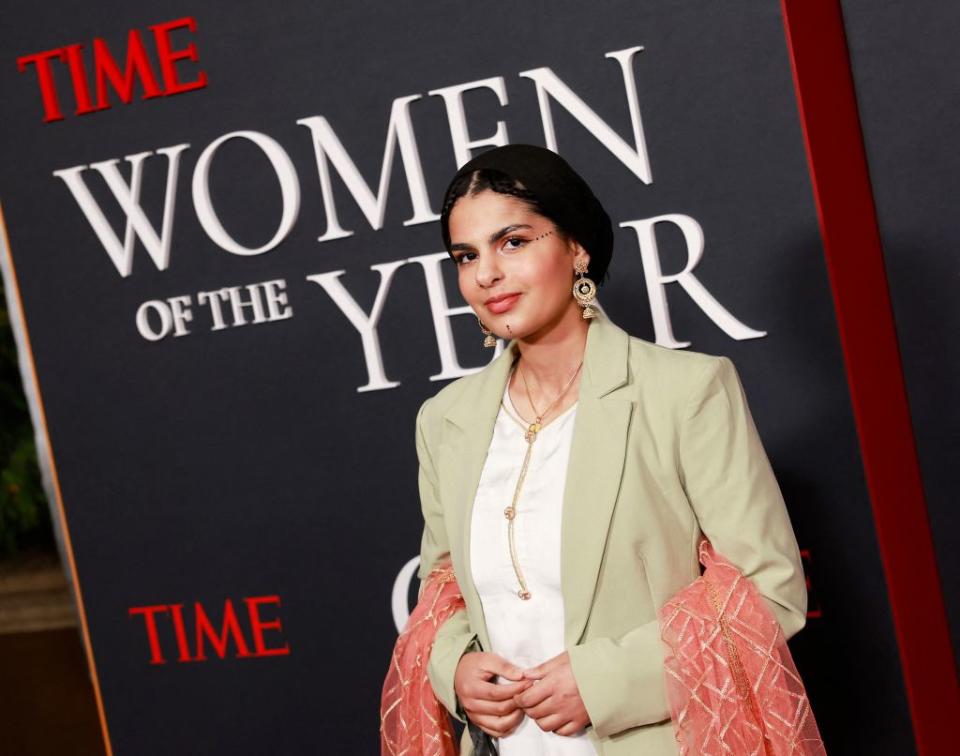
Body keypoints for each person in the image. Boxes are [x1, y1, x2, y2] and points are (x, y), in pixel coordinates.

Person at [413, 144, 808, 755]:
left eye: (512, 242)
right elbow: (442, 595)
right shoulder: (446, 421)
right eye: (467, 256)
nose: (486, 273)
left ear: (577, 247)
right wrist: (456, 671)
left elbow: (770, 593)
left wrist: (605, 681)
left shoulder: (685, 391)